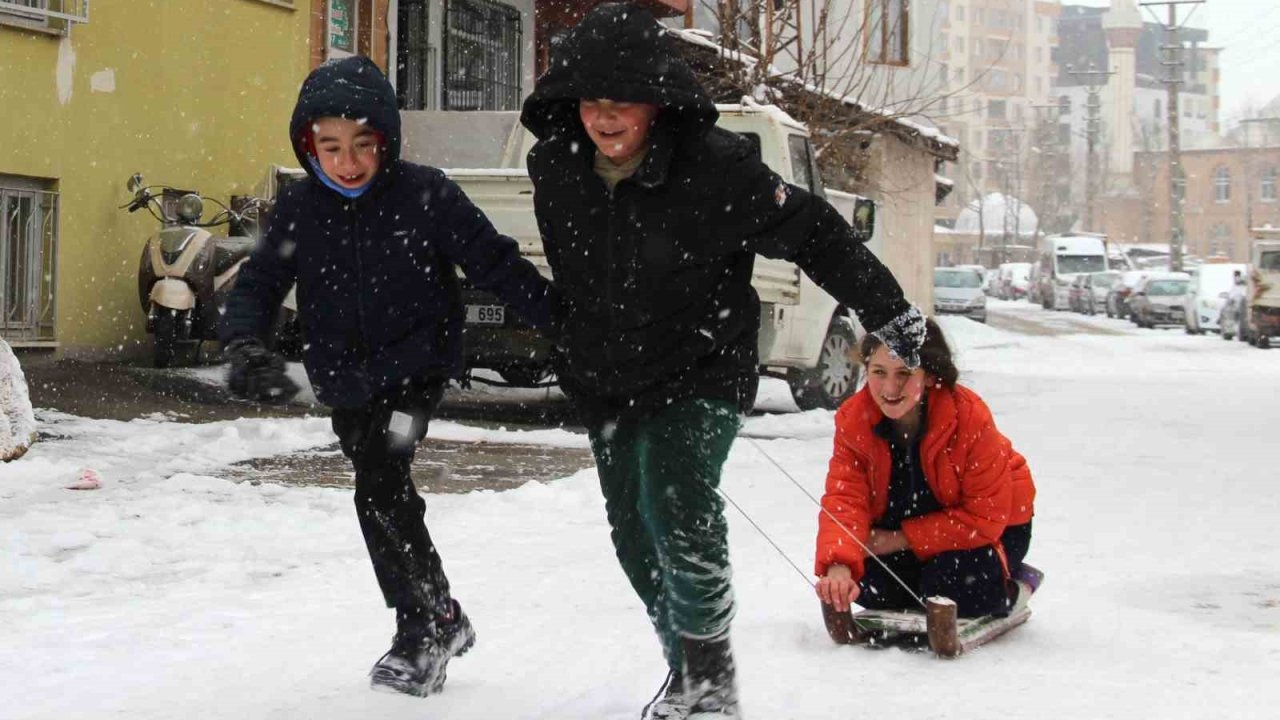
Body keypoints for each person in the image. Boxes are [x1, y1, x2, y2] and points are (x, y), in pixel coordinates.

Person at [519, 5, 926, 718]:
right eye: (590, 100)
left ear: (658, 99)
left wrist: (885, 310)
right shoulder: (555, 167)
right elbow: (575, 274)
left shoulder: (717, 169)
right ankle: (685, 668)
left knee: (678, 501)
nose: (604, 117)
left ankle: (711, 679)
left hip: (701, 365)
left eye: (623, 100)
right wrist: (571, 339)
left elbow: (816, 235)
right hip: (610, 376)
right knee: (633, 531)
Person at [221, 56, 559, 697]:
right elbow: (260, 284)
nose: (347, 161)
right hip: (344, 380)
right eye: (330, 147)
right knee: (379, 488)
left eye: (362, 145)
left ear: (386, 141)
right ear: (307, 145)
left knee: (379, 482)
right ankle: (445, 614)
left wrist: (563, 326)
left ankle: (422, 628)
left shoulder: (426, 195)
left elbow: (496, 264)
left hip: (413, 374)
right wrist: (244, 344)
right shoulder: (299, 208)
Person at [814, 319, 1038, 626]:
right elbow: (845, 498)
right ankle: (925, 583)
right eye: (879, 372)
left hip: (992, 529)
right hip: (911, 523)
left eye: (904, 373)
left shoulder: (969, 416)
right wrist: (839, 564)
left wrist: (896, 540)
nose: (890, 388)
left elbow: (985, 517)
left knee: (955, 585)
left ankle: (1013, 585)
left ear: (930, 375)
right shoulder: (853, 420)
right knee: (870, 586)